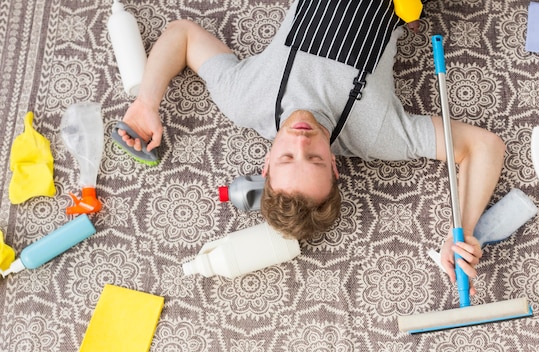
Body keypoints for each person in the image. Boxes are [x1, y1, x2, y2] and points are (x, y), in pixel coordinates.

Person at [117, 0, 505, 295]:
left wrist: (147, 102)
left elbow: (182, 35)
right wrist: (462, 230)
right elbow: (483, 146)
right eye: (315, 158)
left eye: (287, 156)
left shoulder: (244, 99)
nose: (301, 139)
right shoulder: (377, 136)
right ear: (336, 166)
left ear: (266, 165)